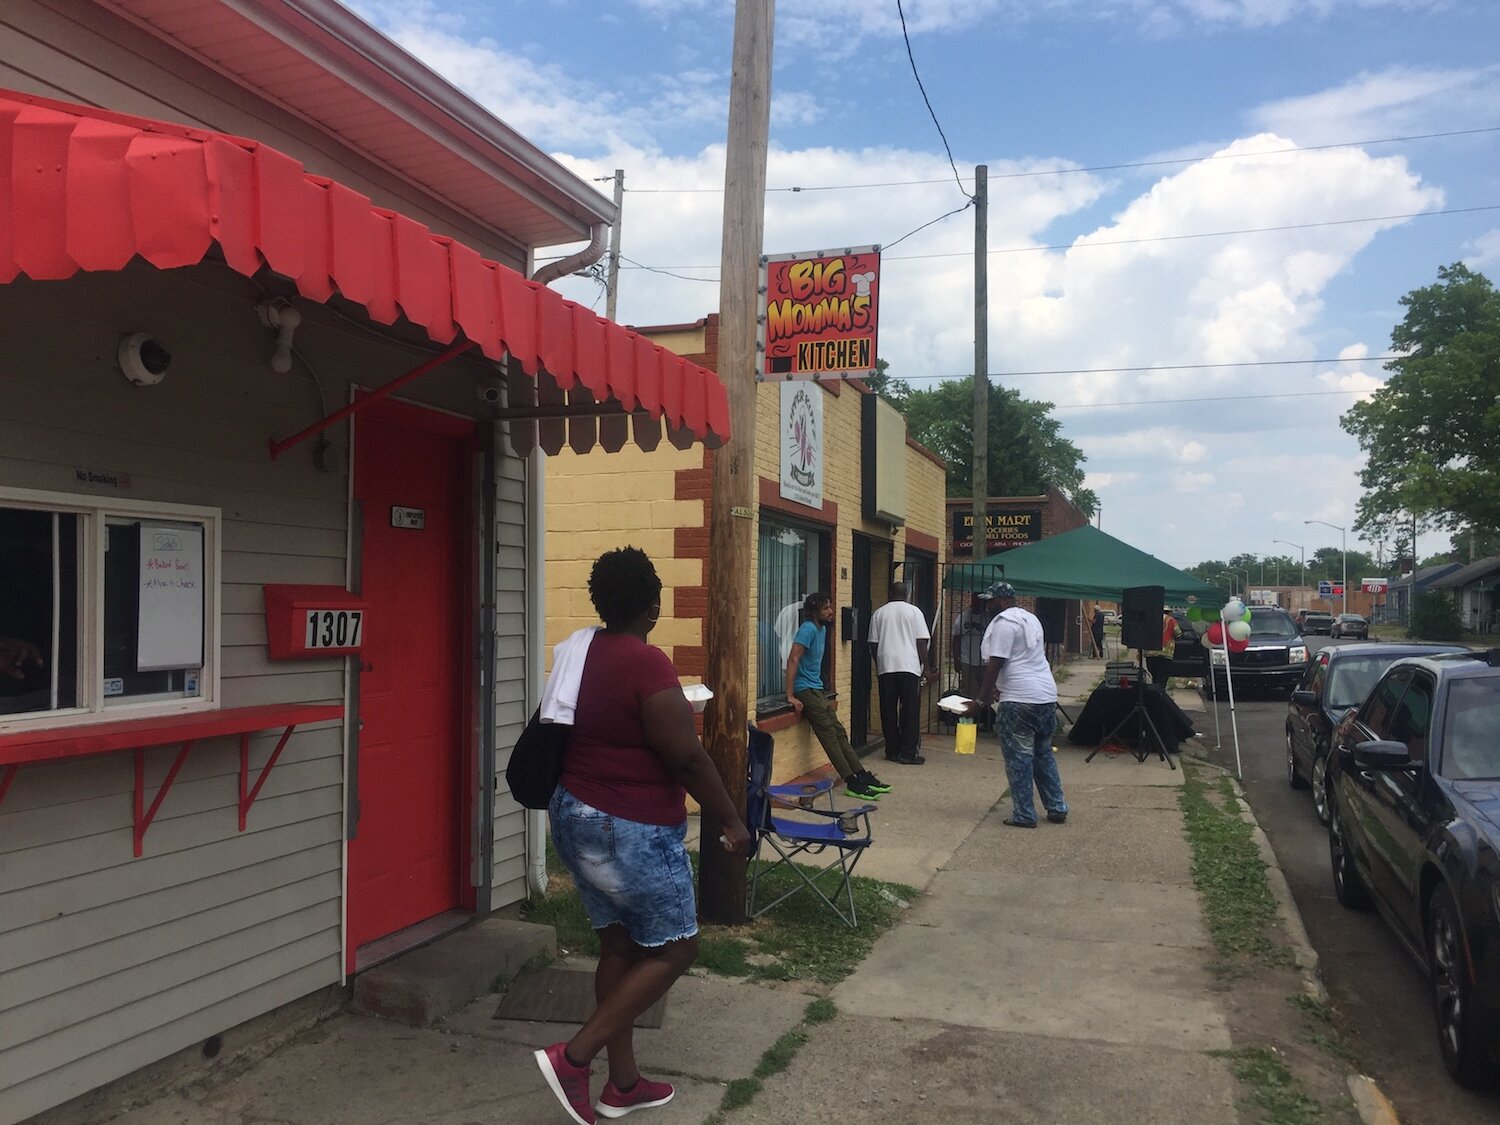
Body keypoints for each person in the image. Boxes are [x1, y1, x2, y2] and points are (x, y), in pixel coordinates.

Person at [536, 546, 751, 1125]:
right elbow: (684, 757)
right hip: (628, 828)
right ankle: (574, 1058)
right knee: (678, 947)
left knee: (620, 946)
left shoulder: (580, 653)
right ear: (653, 604)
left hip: (573, 816)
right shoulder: (647, 663)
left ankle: (623, 1084)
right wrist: (731, 818)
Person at [961, 582, 1068, 829]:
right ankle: (1057, 806)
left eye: (991, 600)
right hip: (1045, 696)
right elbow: (1024, 659)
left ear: (1003, 600)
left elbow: (995, 664)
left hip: (1020, 700)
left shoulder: (1003, 623)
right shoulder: (1030, 619)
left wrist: (980, 700)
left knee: (1018, 758)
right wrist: (1000, 688)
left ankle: (1024, 814)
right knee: (1043, 754)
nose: (986, 605)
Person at [786, 592, 892, 800]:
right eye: (826, 608)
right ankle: (851, 781)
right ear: (815, 610)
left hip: (816, 688)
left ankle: (861, 774)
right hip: (804, 689)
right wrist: (790, 695)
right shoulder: (807, 629)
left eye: (830, 607)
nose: (831, 611)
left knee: (839, 733)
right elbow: (793, 658)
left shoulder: (822, 629)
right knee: (829, 735)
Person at [868, 582, 931, 765]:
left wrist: (879, 662)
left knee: (888, 710)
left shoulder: (879, 613)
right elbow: (921, 642)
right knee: (910, 710)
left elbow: (873, 643)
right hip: (909, 666)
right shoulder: (914, 612)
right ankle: (908, 752)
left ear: (889, 593)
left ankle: (892, 750)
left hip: (886, 667)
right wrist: (926, 667)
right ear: (907, 594)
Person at [951, 590, 989, 704]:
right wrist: (956, 659)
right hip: (967, 660)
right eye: (975, 599)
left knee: (985, 693)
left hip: (984, 662)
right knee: (969, 693)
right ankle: (971, 719)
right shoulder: (963, 617)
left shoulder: (989, 618)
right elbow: (956, 639)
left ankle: (985, 718)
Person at [1142, 609, 1182, 687]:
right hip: (1165, 654)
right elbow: (1178, 635)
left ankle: (1155, 695)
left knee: (1155, 677)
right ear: (1169, 611)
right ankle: (1160, 695)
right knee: (1162, 679)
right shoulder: (1171, 620)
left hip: (1151, 654)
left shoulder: (1148, 619)